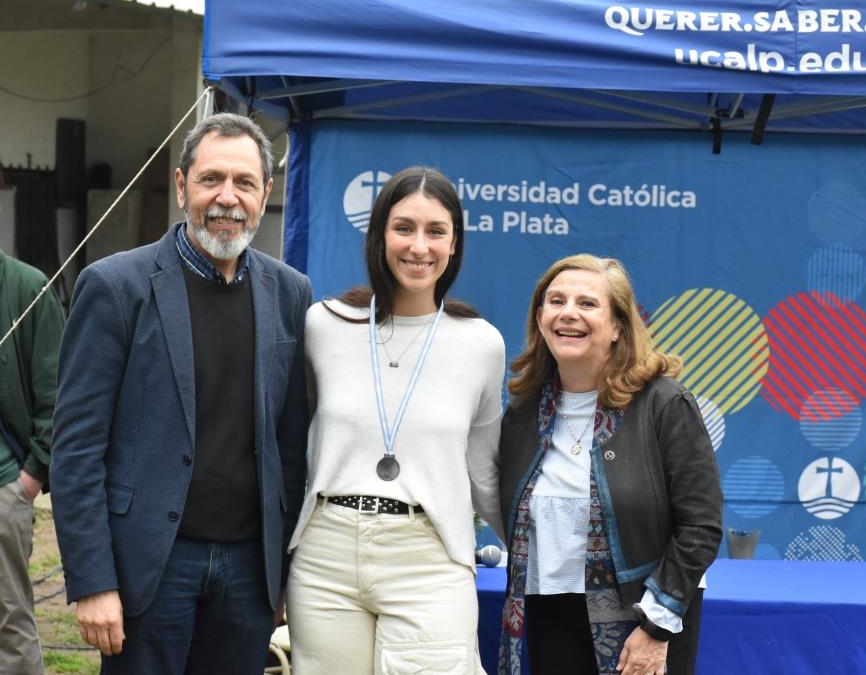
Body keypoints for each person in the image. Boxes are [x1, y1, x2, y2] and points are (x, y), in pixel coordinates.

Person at [49, 112, 311, 674]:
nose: (227, 197)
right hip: (149, 567)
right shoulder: (116, 287)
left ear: (266, 193)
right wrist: (93, 581)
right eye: (211, 179)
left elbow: (291, 449)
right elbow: (75, 449)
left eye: (244, 183)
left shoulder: (290, 292)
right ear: (180, 185)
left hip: (248, 573)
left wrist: (280, 578)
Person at [286, 166, 505, 674]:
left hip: (428, 557)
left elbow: (483, 469)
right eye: (404, 227)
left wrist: (537, 549)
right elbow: (294, 443)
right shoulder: (323, 324)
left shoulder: (481, 343)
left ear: (455, 245)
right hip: (326, 555)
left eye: (436, 231)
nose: (419, 246)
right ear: (379, 234)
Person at [497, 254, 723, 675]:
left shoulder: (664, 403)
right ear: (540, 317)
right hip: (550, 615)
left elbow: (701, 526)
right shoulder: (525, 413)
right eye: (556, 300)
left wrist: (656, 626)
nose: (568, 313)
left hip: (645, 617)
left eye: (587, 303)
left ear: (619, 325)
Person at [0, 248, 65, 675]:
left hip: (4, 484)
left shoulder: (27, 286)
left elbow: (59, 394)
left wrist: (29, 477)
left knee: (9, 622)